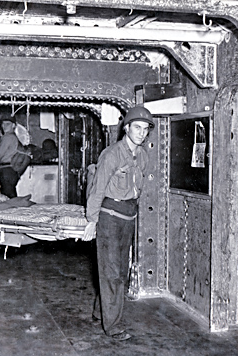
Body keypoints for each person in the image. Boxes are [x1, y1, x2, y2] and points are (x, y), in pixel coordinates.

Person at [83, 106, 154, 341]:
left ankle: (99, 312)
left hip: (128, 217)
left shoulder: (143, 155)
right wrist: (92, 221)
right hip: (109, 217)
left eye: (145, 129)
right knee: (112, 271)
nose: (141, 133)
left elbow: (138, 189)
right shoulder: (112, 154)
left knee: (118, 270)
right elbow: (97, 188)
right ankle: (112, 325)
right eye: (137, 128)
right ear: (126, 128)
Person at [0, 116, 21, 198]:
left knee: (7, 196)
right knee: (11, 195)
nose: (4, 126)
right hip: (11, 169)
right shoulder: (13, 137)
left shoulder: (7, 137)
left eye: (7, 124)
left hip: (6, 170)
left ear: (13, 125)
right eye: (3, 124)